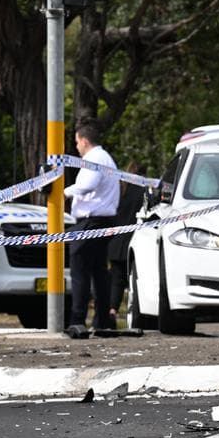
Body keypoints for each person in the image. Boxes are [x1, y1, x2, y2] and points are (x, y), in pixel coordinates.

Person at [64, 118, 120, 330]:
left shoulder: (94, 159)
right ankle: (102, 321)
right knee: (99, 272)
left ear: (84, 141)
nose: (76, 147)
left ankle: (77, 321)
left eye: (77, 143)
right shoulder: (106, 158)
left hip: (92, 222)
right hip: (102, 221)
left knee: (80, 271)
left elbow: (87, 185)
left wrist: (64, 193)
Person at [107, 161, 146, 328]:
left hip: (115, 243)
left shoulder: (119, 190)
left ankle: (112, 311)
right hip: (134, 242)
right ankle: (135, 312)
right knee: (134, 280)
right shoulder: (144, 191)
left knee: (117, 279)